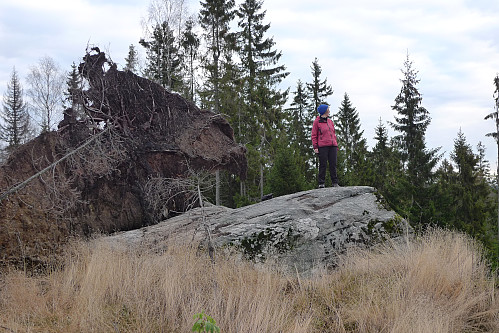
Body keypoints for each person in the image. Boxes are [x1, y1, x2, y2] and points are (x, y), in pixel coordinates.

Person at [311, 104, 340, 188]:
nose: (329, 111)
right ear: (324, 111)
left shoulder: (330, 121)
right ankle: (321, 183)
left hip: (332, 146)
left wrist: (336, 144)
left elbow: (333, 134)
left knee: (333, 164)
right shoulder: (317, 122)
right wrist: (315, 147)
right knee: (323, 164)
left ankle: (335, 182)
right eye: (328, 109)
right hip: (323, 146)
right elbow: (314, 135)